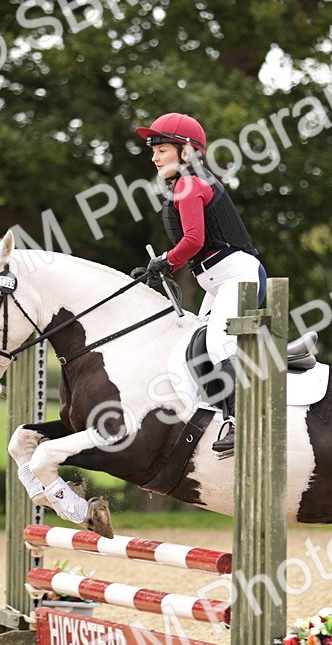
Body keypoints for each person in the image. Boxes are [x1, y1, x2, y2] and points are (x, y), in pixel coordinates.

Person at [134, 112, 267, 457]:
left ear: (187, 152)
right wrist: (163, 264)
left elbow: (193, 240)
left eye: (161, 149)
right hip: (218, 281)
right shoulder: (187, 183)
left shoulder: (190, 183)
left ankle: (241, 422)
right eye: (154, 150)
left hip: (236, 276)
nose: (154, 157)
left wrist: (166, 261)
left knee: (219, 342)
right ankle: (208, 417)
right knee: (192, 350)